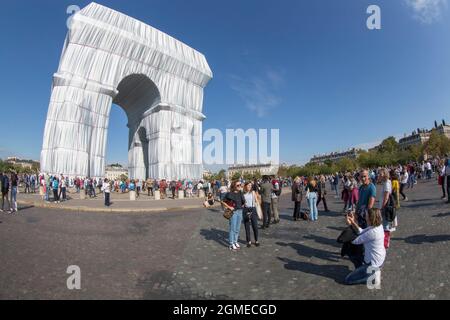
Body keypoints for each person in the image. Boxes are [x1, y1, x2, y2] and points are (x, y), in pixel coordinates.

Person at [344, 208, 385, 286]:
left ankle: (372, 275)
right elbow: (361, 231)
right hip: (379, 258)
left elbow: (355, 241)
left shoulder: (373, 232)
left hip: (373, 263)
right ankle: (369, 271)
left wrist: (349, 225)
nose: (365, 217)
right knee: (357, 254)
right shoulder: (378, 226)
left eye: (366, 215)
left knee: (348, 280)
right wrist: (352, 222)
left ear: (370, 218)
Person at [222, 181, 245, 251]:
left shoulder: (241, 192)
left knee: (237, 228)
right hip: (233, 212)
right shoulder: (229, 194)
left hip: (240, 211)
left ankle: (235, 241)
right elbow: (223, 201)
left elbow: (243, 201)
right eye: (238, 185)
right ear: (234, 186)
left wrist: (243, 204)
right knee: (233, 228)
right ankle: (231, 243)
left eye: (240, 185)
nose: (240, 186)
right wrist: (229, 207)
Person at [243, 182, 260, 247]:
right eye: (248, 185)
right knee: (247, 226)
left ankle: (256, 240)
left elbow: (257, 201)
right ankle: (249, 241)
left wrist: (257, 198)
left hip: (253, 209)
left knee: (255, 226)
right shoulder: (243, 193)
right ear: (245, 186)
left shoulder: (253, 192)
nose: (249, 186)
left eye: (250, 185)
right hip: (245, 210)